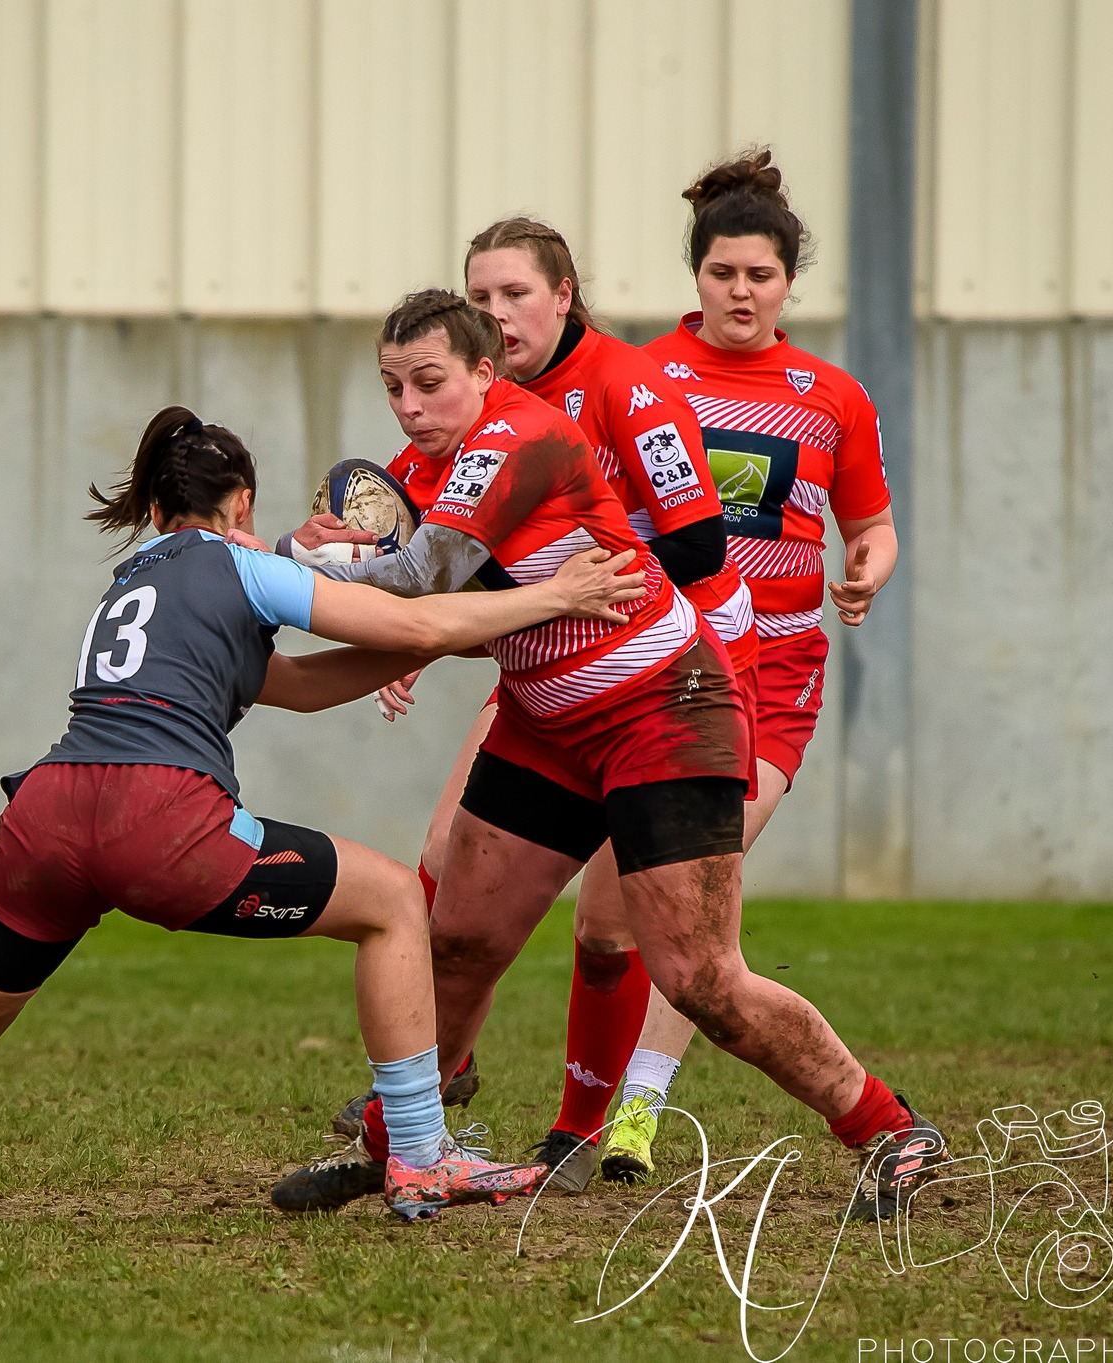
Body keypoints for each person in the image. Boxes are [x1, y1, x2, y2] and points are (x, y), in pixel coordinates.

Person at [0, 405, 647, 1226]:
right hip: (158, 817)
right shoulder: (238, 563)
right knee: (395, 900)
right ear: (242, 507)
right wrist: (555, 597)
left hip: (45, 817)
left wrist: (433, 641)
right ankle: (420, 1156)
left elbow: (303, 685)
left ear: (153, 511)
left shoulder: (133, 584)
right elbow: (413, 621)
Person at [264, 289, 942, 1224]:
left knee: (701, 977)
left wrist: (268, 568)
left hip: (663, 709)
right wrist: (316, 553)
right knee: (456, 942)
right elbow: (427, 594)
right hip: (547, 721)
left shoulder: (517, 438)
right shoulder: (425, 465)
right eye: (392, 388)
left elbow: (425, 579)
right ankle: (401, 1152)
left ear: (484, 374)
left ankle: (888, 1127)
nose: (409, 406)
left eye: (428, 383)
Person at [272, 218, 756, 1206]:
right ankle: (412, 1113)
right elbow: (422, 562)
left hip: (670, 684)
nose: (497, 312)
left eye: (514, 294)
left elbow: (703, 560)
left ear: (562, 296)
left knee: (617, 929)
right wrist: (403, 618)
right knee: (449, 888)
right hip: (539, 677)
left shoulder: (618, 387)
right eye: (479, 295)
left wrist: (650, 658)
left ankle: (582, 1131)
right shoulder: (453, 423)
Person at [596, 148, 901, 1183]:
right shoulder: (637, 378)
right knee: (605, 919)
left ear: (786, 282)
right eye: (721, 273)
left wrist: (864, 569)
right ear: (695, 276)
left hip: (769, 680)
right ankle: (561, 1110)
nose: (739, 291)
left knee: (690, 907)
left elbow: (871, 523)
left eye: (758, 275)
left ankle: (634, 1111)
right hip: (653, 666)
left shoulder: (829, 396)